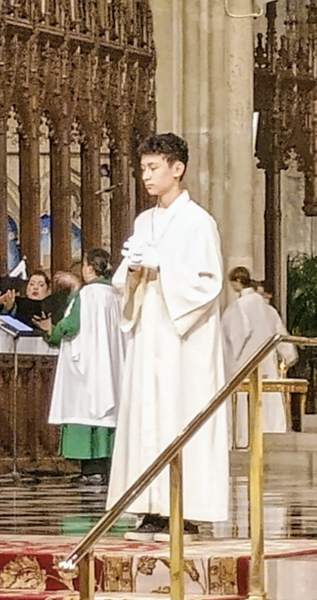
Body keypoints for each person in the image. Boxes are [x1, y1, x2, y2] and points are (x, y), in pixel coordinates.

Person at [106, 133, 228, 541]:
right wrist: (134, 270)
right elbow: (126, 282)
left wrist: (164, 266)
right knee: (147, 416)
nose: (146, 176)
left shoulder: (199, 222)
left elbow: (210, 283)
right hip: (150, 334)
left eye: (154, 168)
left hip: (184, 340)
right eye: (143, 168)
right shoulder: (145, 220)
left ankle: (187, 508)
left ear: (177, 169)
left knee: (180, 413)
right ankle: (150, 506)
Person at [37, 249, 124, 485]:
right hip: (111, 365)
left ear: (88, 268)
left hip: (87, 367)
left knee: (85, 409)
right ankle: (104, 467)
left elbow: (70, 325)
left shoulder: (86, 295)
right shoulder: (117, 294)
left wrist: (50, 330)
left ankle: (91, 469)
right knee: (106, 412)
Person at [223, 266, 298, 446]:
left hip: (245, 361)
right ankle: (273, 432)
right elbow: (281, 334)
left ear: (236, 282)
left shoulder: (238, 308)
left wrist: (229, 361)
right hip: (266, 362)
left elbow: (234, 336)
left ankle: (243, 439)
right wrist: (289, 356)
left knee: (244, 404)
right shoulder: (268, 309)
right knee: (268, 401)